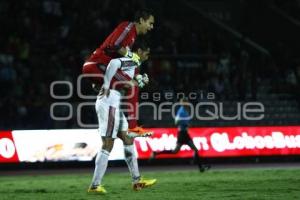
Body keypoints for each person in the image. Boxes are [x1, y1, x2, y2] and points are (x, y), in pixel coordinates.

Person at [87, 41, 156, 194]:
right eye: (146, 52)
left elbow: (123, 82)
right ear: (138, 50)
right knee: (108, 144)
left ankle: (137, 181)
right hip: (108, 103)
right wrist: (106, 84)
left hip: (114, 104)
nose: (147, 56)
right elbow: (112, 63)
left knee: (128, 139)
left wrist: (138, 81)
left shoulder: (134, 66)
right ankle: (94, 185)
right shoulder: (132, 59)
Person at [82, 9, 155, 136]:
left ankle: (114, 123)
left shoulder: (132, 38)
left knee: (130, 86)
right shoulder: (128, 27)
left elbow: (124, 62)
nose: (151, 27)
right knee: (132, 86)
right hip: (97, 65)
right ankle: (132, 127)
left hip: (101, 68)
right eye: (150, 23)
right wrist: (132, 56)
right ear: (142, 20)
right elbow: (113, 45)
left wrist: (138, 77)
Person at [150, 97, 210, 172]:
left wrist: (187, 124)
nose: (187, 103)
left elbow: (185, 121)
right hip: (182, 133)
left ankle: (200, 167)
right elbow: (176, 122)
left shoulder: (185, 110)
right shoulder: (181, 111)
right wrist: (185, 124)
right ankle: (156, 153)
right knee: (179, 151)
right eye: (185, 102)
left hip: (185, 133)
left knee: (191, 150)